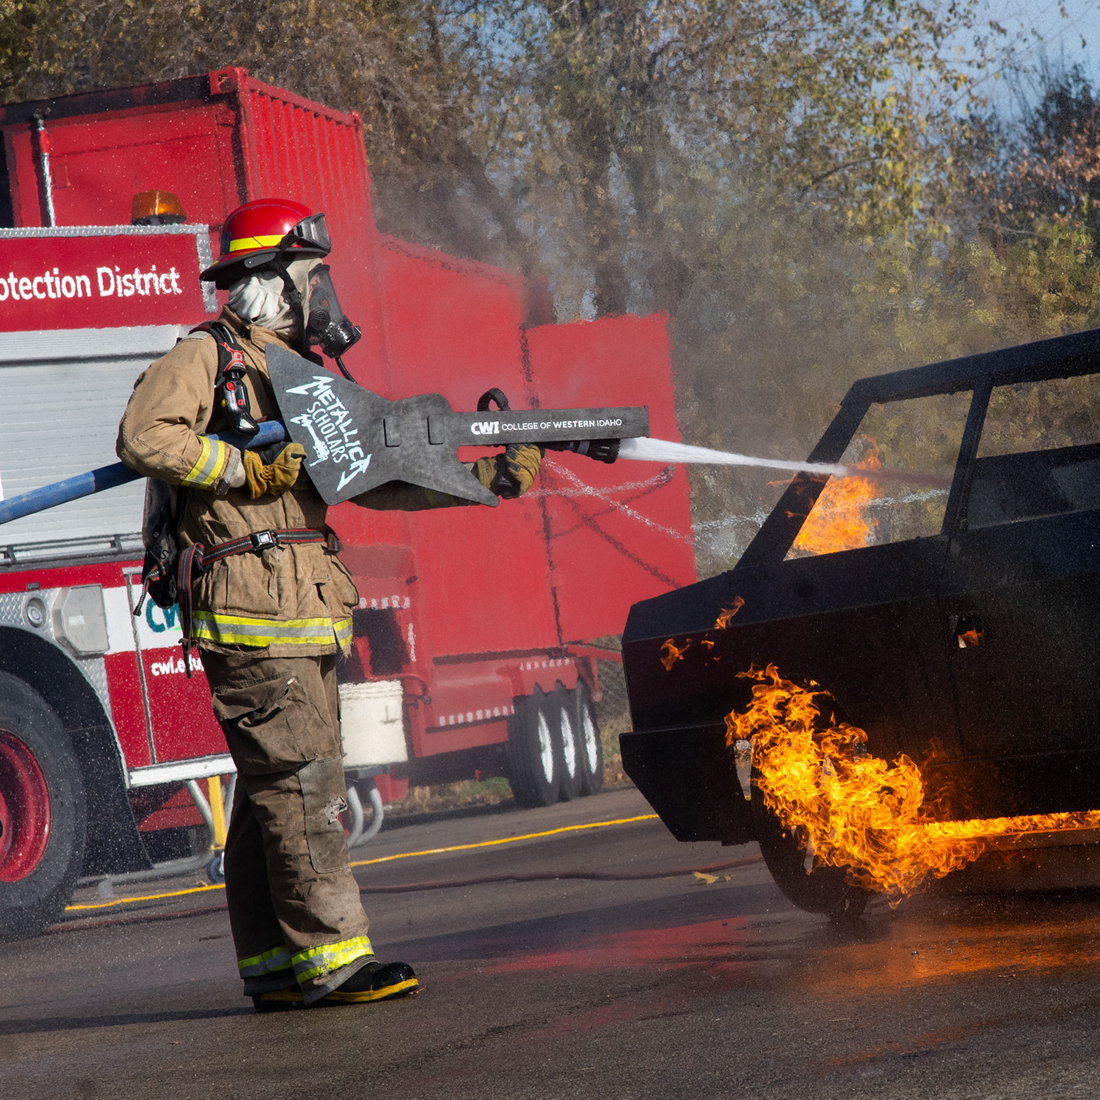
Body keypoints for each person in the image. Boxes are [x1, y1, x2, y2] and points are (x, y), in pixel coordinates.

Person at [116, 197, 542, 1011]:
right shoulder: (210, 356)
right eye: (314, 275)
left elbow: (375, 474)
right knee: (302, 783)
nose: (326, 293)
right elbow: (143, 436)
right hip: (252, 616)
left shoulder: (295, 374)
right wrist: (243, 471)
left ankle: (274, 963)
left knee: (272, 791)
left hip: (296, 613)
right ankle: (336, 960)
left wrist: (491, 478)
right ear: (273, 279)